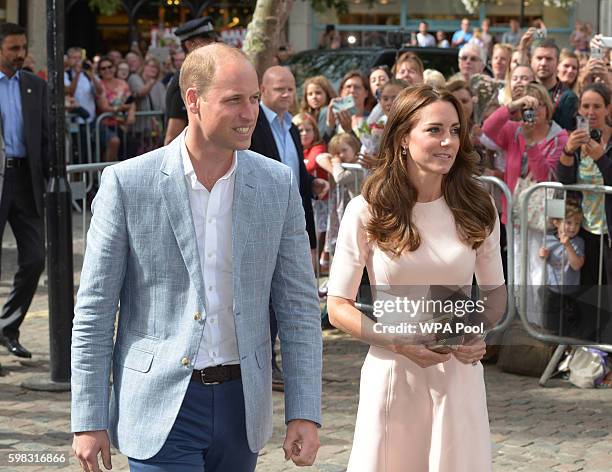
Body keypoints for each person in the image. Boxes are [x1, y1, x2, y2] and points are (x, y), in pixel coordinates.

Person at [71, 43, 322, 472]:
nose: (250, 114)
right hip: (160, 403)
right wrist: (89, 418)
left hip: (243, 405)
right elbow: (95, 309)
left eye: (255, 100)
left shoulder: (276, 185)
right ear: (193, 100)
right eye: (234, 101)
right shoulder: (129, 184)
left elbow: (299, 306)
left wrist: (304, 410)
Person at [327, 85, 506, 471]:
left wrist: (478, 331)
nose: (448, 142)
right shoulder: (366, 211)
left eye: (455, 130)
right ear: (403, 138)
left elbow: (495, 295)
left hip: (458, 374)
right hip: (392, 370)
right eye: (435, 130)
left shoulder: (479, 207)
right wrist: (396, 341)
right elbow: (337, 305)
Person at [249, 65, 329, 391]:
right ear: (264, 90)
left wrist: (312, 185)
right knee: (265, 294)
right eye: (280, 89)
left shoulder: (292, 128)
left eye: (290, 88)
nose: (287, 95)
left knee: (290, 291)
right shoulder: (253, 125)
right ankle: (264, 363)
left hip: (294, 219)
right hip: (261, 221)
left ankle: (281, 360)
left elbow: (293, 169)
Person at [483, 83, 567, 324]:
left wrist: (532, 146)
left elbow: (545, 177)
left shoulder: (559, 137)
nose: (534, 111)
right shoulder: (514, 130)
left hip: (543, 218)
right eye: (528, 106)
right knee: (517, 267)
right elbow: (488, 131)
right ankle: (519, 321)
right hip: (516, 213)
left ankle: (536, 325)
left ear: (547, 107)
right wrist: (511, 107)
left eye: (538, 104)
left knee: (537, 271)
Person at [0, 23, 48, 359]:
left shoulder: (34, 85)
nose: (20, 54)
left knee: (35, 258)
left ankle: (8, 327)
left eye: (22, 47)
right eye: (13, 48)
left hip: (25, 183)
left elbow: (46, 136)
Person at [558, 83, 612, 285]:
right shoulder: (577, 138)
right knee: (589, 293)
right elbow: (565, 180)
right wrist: (568, 151)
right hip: (586, 229)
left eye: (597, 106)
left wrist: (601, 158)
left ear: (608, 108)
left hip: (609, 231)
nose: (590, 112)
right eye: (586, 106)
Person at [164, 17, 218, 145]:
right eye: (206, 39)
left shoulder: (201, 75)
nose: (213, 43)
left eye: (213, 38)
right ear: (189, 45)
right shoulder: (185, 80)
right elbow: (172, 137)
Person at [539, 200, 585, 335]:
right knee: (552, 325)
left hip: (571, 292)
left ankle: (569, 349)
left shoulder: (578, 242)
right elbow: (543, 259)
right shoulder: (548, 239)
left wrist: (568, 246)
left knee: (571, 327)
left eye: (577, 223)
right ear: (556, 222)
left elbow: (576, 266)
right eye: (569, 222)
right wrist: (542, 255)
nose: (573, 227)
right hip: (552, 290)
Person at [293, 112, 329, 273]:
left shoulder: (318, 147)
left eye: (308, 130)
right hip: (302, 202)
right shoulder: (296, 148)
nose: (304, 134)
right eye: (300, 130)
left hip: (319, 202)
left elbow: (309, 165)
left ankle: (318, 267)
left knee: (318, 234)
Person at [531, 38, 579, 131]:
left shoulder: (568, 97)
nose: (543, 63)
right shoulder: (524, 91)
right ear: (531, 61)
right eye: (539, 58)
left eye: (549, 59)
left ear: (557, 63)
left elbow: (566, 136)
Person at [96, 57, 135, 162]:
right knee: (114, 142)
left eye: (109, 67)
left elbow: (131, 101)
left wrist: (131, 114)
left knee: (128, 148)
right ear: (99, 71)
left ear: (114, 68)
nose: (107, 70)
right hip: (105, 123)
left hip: (122, 124)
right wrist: (119, 108)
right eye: (103, 68)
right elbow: (103, 107)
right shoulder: (100, 85)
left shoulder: (122, 83)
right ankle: (105, 172)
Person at [128, 57, 166, 156]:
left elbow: (164, 106)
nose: (154, 69)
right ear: (144, 66)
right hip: (139, 127)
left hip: (155, 129)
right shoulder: (135, 78)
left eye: (156, 68)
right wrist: (150, 83)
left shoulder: (160, 85)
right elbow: (140, 93)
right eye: (151, 66)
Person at [300, 75, 337, 140]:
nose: (314, 97)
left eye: (318, 93)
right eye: (310, 94)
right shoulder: (306, 115)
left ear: (327, 94)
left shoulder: (327, 111)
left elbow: (321, 138)